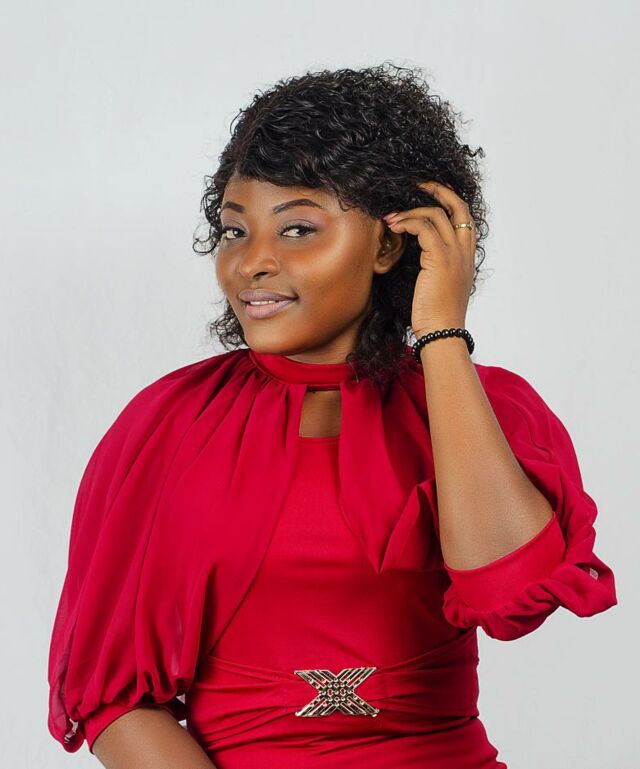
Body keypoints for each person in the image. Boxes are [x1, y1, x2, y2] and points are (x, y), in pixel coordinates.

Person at [47, 62, 618, 768]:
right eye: (234, 231)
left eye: (296, 229)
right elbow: (114, 699)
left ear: (389, 242)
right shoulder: (165, 426)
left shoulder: (485, 408)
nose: (251, 263)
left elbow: (509, 594)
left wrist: (441, 333)